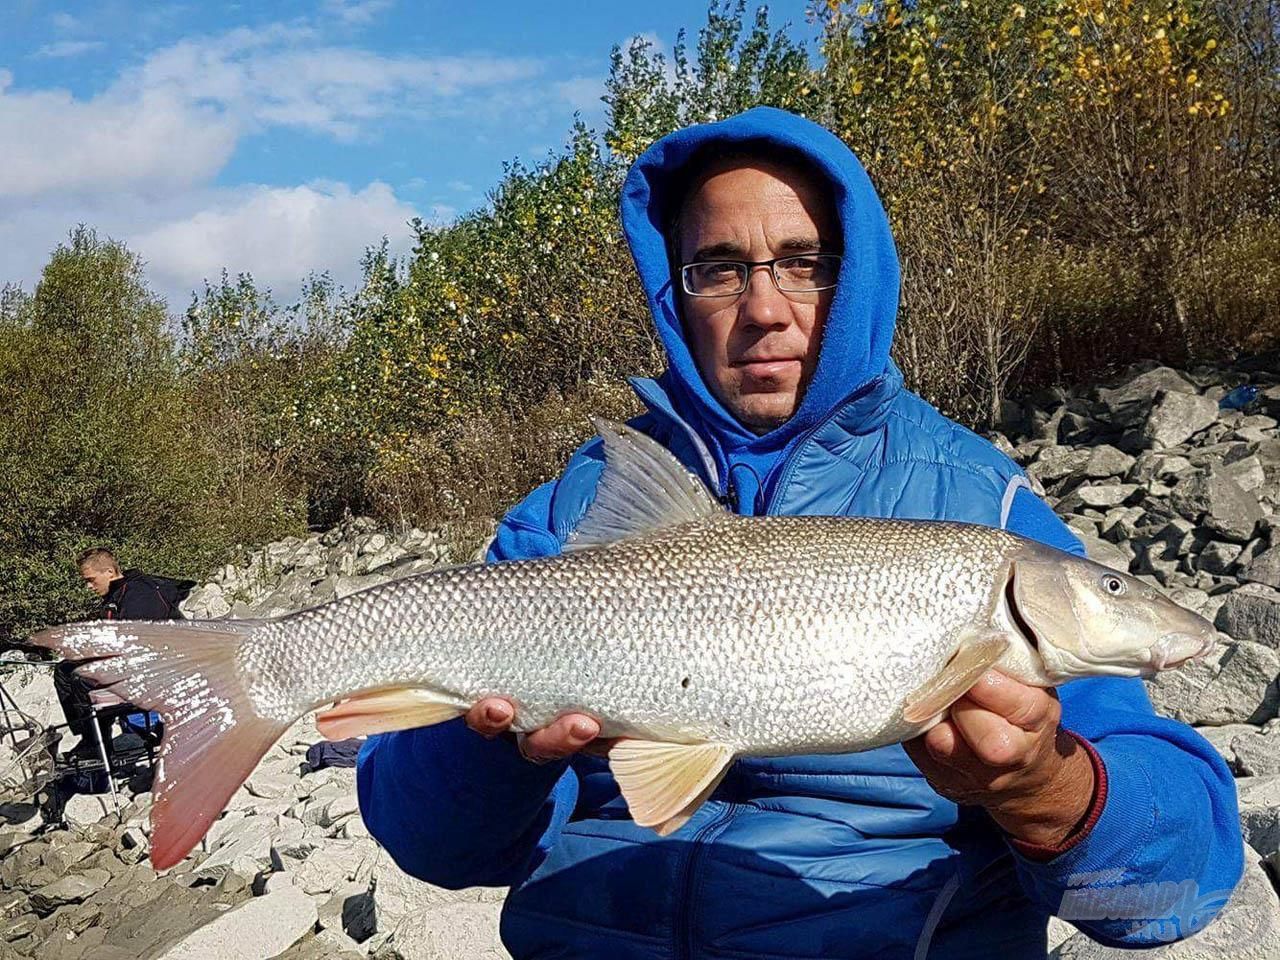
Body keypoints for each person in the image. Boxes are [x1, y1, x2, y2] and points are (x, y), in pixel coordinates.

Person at [357, 108, 1243, 957]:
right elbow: (435, 852)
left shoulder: (982, 511)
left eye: (803, 261)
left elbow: (1170, 894)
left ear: (855, 276)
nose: (765, 307)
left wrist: (1054, 793)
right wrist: (488, 751)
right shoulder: (566, 516)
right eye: (719, 267)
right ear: (676, 292)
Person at [54, 547, 193, 762]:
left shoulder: (140, 595)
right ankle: (91, 738)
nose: (89, 586)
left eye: (91, 580)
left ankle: (97, 744)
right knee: (63, 670)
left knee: (80, 679)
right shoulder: (120, 592)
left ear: (109, 572)